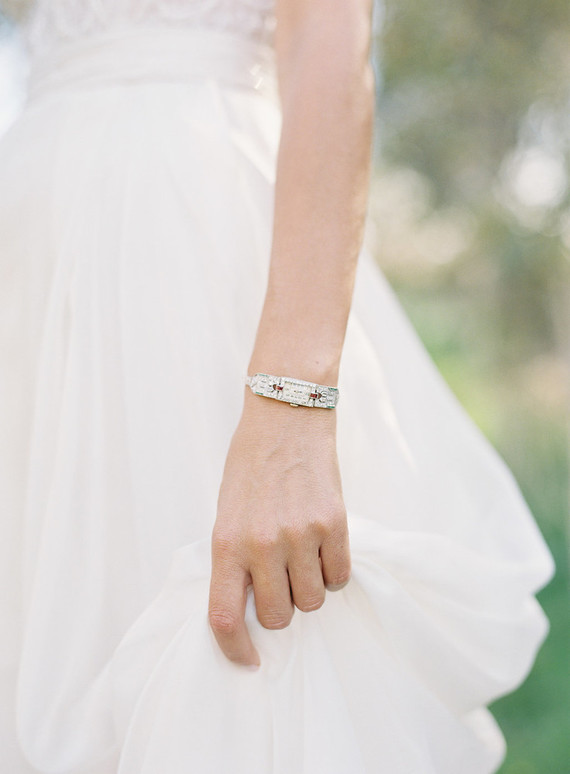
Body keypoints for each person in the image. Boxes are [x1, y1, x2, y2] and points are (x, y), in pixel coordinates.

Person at [0, 1, 555, 772]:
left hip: (186, 236)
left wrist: (290, 407)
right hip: (31, 262)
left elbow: (328, 41)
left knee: (233, 698)